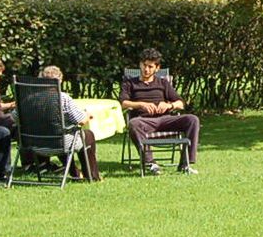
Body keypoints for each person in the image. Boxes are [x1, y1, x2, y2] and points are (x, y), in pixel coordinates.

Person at [119, 47, 200, 175]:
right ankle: (151, 163)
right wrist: (140, 104)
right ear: (140, 64)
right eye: (144, 65)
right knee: (133, 124)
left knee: (192, 119)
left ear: (157, 68)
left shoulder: (163, 83)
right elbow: (123, 103)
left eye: (150, 67)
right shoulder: (130, 83)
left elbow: (181, 103)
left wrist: (169, 106)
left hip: (165, 120)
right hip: (144, 121)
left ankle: (185, 164)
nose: (146, 69)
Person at [39, 65, 101, 182]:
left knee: (60, 133)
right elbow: (81, 120)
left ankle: (75, 172)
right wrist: (87, 115)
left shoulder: (29, 98)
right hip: (59, 143)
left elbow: (15, 117)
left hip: (35, 145)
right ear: (60, 81)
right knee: (88, 135)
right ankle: (92, 176)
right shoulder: (63, 99)